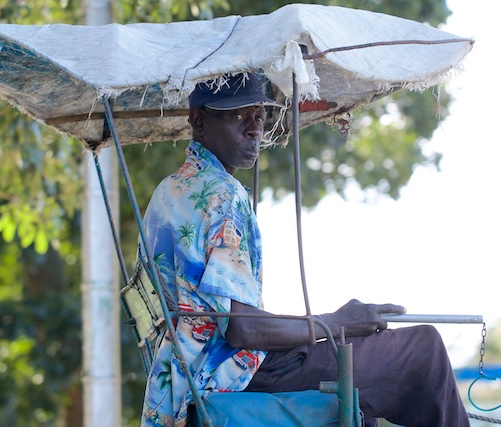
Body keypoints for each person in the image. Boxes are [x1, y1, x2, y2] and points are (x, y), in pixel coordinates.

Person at [139, 73, 469, 427]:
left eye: (260, 117)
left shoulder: (168, 191)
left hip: (180, 375)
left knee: (363, 389)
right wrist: (333, 323)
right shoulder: (222, 195)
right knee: (423, 350)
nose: (255, 129)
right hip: (231, 371)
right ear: (199, 121)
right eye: (239, 116)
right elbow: (240, 329)